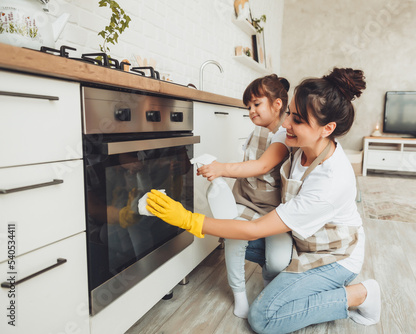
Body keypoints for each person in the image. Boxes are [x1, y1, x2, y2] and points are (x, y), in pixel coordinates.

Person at [146, 67, 381, 333]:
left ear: (327, 129)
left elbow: (254, 229)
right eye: (290, 113)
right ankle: (299, 285)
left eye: (298, 119)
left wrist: (188, 220)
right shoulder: (293, 139)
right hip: (302, 241)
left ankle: (361, 294)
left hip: (333, 255)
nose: (285, 124)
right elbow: (260, 165)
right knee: (229, 236)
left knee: (263, 319)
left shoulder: (331, 180)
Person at [197, 74, 293, 318]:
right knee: (234, 237)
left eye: (256, 104)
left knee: (279, 260)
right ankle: (239, 293)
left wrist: (222, 168)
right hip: (246, 201)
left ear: (277, 104)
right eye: (248, 106)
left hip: (275, 210)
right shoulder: (259, 129)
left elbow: (261, 166)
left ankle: (269, 282)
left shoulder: (285, 134)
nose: (251, 111)